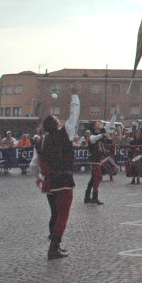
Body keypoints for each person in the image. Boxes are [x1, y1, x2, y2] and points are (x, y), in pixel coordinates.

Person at [30, 86, 79, 259]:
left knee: (55, 214)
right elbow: (74, 116)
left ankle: (55, 243)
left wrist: (38, 177)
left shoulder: (40, 141)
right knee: (62, 215)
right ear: (57, 125)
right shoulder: (64, 134)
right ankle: (53, 248)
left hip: (49, 182)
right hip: (63, 180)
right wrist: (74, 96)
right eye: (58, 120)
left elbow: (34, 164)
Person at [84, 121, 112, 205]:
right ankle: (94, 197)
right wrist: (103, 135)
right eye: (97, 123)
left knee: (93, 178)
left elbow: (109, 125)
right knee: (98, 176)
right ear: (93, 126)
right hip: (94, 159)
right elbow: (93, 139)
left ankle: (87, 197)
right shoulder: (92, 135)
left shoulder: (101, 132)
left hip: (98, 159)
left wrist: (115, 114)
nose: (99, 124)